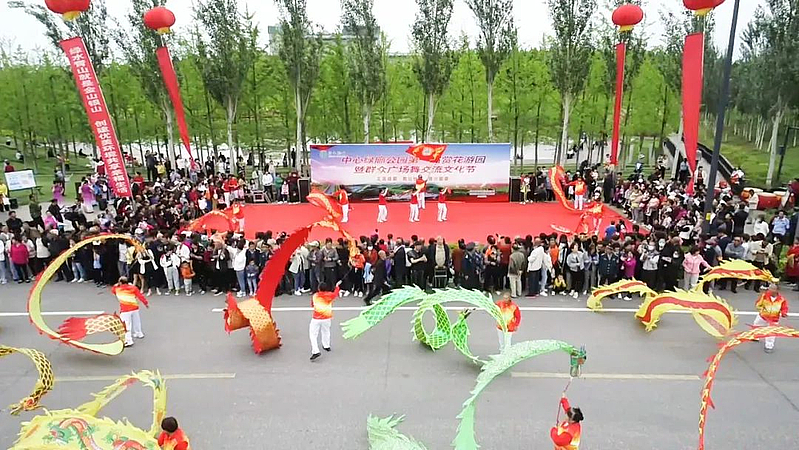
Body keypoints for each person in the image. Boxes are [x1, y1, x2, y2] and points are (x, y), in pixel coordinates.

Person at [111, 276, 149, 347]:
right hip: (134, 307)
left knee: (126, 325)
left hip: (125, 310)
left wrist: (116, 285)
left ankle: (128, 340)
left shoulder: (117, 289)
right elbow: (140, 296)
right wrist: (146, 303)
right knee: (137, 321)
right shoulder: (133, 288)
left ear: (120, 282)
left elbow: (112, 290)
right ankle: (139, 333)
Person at [309, 281, 341, 361]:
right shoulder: (330, 295)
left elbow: (312, 305)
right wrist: (337, 286)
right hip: (327, 318)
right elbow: (335, 294)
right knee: (326, 331)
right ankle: (326, 345)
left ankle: (315, 350)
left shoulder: (315, 296)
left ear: (319, 288)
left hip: (316, 318)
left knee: (313, 335)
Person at [753, 283, 789, 353]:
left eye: (772, 289)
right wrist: (760, 308)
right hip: (763, 316)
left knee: (771, 332)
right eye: (769, 288)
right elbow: (758, 304)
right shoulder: (764, 296)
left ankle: (769, 346)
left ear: (777, 290)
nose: (770, 290)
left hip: (774, 319)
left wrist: (784, 313)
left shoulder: (781, 299)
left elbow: (784, 308)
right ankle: (756, 336)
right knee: (756, 325)